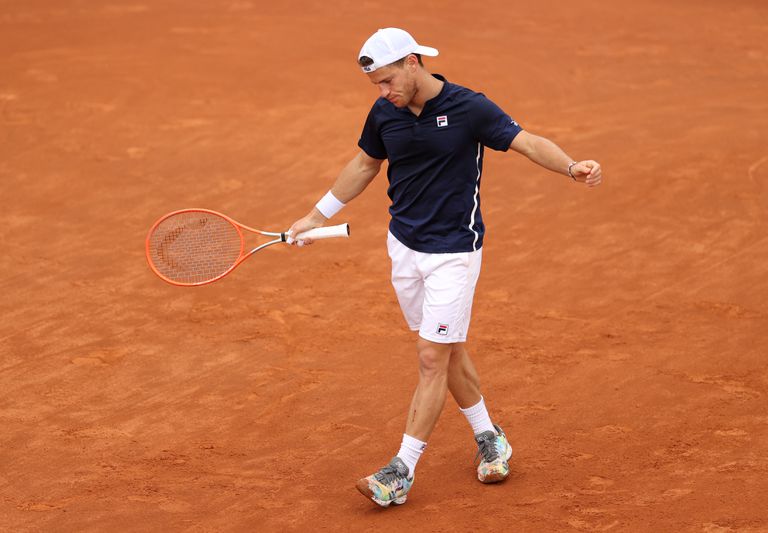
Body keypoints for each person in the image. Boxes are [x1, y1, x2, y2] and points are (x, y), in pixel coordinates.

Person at [287, 27, 602, 508]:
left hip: (455, 250)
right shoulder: (385, 112)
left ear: (413, 63)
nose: (383, 92)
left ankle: (400, 470)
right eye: (375, 85)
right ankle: (489, 436)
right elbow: (366, 164)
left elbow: (524, 141)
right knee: (448, 349)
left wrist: (571, 166)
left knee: (431, 357)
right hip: (404, 248)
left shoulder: (469, 107)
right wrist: (315, 216)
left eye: (388, 80)